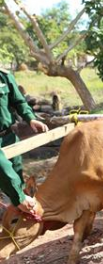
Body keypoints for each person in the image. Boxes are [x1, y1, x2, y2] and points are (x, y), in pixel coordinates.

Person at [0, 68, 49, 214]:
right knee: (7, 176)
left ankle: (21, 222)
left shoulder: (3, 76)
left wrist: (30, 118)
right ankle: (19, 202)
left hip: (8, 136)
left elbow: (18, 101)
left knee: (17, 178)